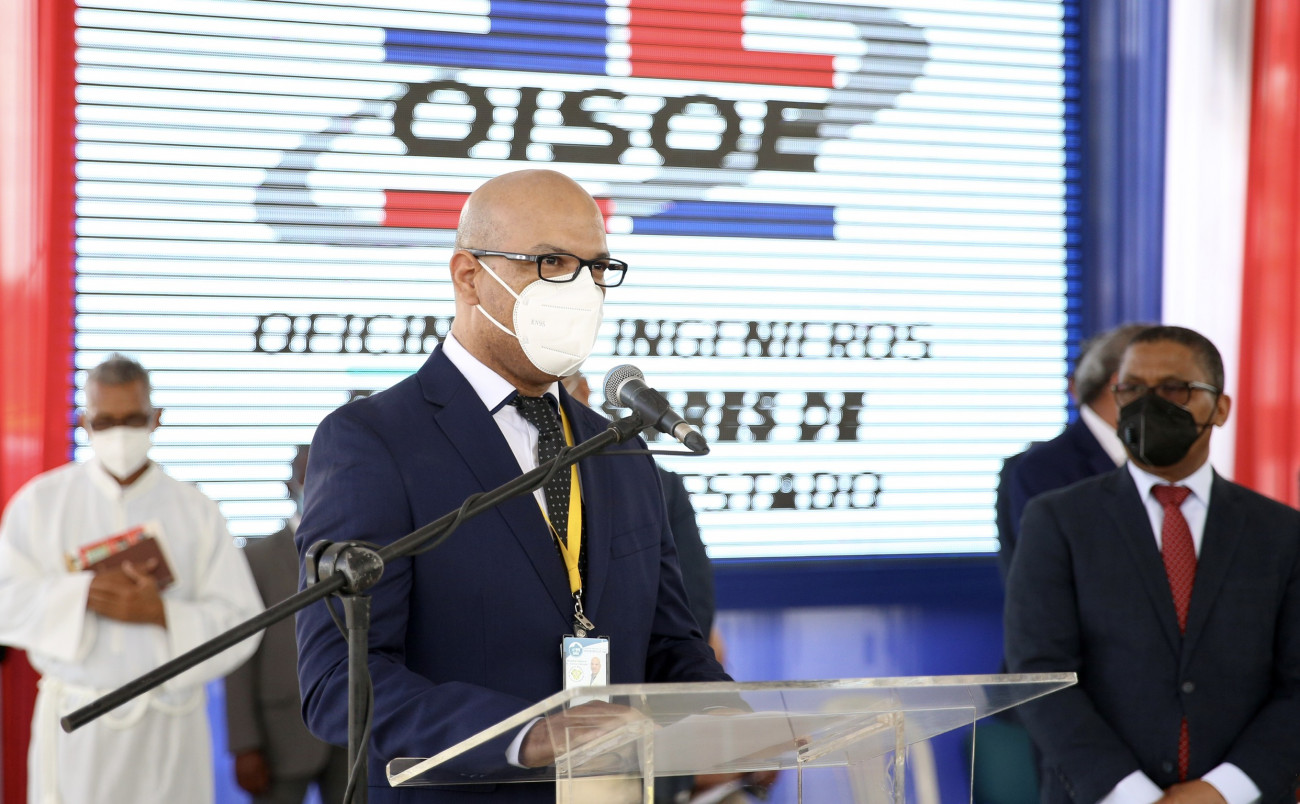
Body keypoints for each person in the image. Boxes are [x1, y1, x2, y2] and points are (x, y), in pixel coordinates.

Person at [295, 169, 730, 803]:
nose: (580, 289)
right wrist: (523, 734)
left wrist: (729, 715)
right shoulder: (374, 440)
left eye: (595, 268)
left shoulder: (619, 447)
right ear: (468, 275)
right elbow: (339, 682)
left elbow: (666, 644)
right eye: (551, 262)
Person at [1004, 326, 1300, 803]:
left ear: (1220, 408)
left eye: (1174, 389)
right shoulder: (1057, 520)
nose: (1149, 405)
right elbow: (1039, 673)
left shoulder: (1282, 532)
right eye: (1132, 389)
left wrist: (1221, 791)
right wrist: (1135, 795)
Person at [0, 353, 265, 804]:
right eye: (105, 422)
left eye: (133, 419)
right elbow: (7, 600)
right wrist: (81, 595)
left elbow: (243, 621)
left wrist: (163, 614)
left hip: (169, 723)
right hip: (79, 721)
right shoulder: (41, 503)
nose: (119, 434)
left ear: (156, 417)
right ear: (84, 421)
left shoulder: (196, 510)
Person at [224, 445, 349, 803]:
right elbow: (239, 655)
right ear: (291, 484)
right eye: (312, 474)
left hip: (351, 731)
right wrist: (244, 744)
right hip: (278, 738)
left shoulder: (364, 553)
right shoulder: (256, 559)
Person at [997, 323, 1149, 578]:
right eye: (1169, 384)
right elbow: (1044, 579)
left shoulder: (1165, 458)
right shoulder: (1043, 468)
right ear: (1123, 384)